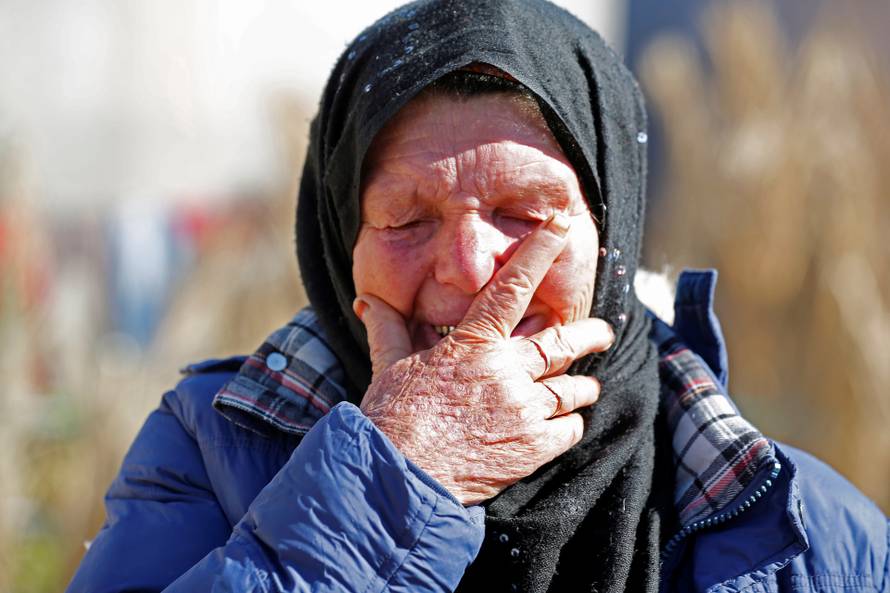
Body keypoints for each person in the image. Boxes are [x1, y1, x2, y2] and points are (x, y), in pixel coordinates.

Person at [67, 1, 888, 592]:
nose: (467, 267)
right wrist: (398, 475)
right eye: (406, 218)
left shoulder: (809, 536)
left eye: (523, 213)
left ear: (611, 238)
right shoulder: (213, 450)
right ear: (340, 249)